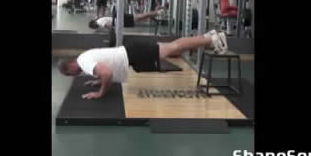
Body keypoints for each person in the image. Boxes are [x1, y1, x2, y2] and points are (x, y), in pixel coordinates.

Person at [58, 29, 228, 99]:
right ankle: (207, 37)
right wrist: (97, 79)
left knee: (172, 48)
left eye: (69, 75)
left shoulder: (85, 63)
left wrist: (100, 92)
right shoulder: (82, 59)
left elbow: (107, 73)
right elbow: (102, 66)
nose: (73, 76)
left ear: (69, 69)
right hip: (131, 52)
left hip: (132, 53)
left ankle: (210, 40)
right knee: (172, 47)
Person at [89, 8, 165, 30]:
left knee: (141, 16)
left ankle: (158, 12)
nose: (96, 28)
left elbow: (108, 27)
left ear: (93, 24)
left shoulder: (99, 22)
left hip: (122, 20)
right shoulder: (99, 20)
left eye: (94, 28)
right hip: (121, 20)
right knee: (142, 18)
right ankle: (156, 12)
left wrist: (111, 31)